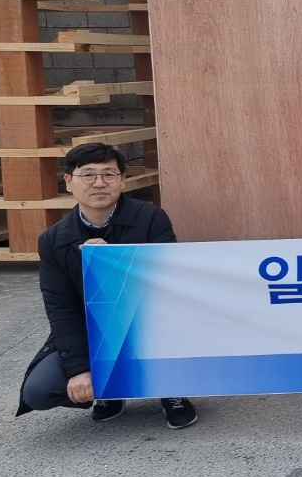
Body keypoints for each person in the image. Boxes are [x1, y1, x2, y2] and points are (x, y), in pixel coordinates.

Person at [17, 143, 197, 429]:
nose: (99, 183)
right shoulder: (53, 240)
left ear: (122, 180)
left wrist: (115, 261)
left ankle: (171, 389)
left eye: (109, 174)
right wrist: (80, 369)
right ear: (69, 182)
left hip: (148, 321)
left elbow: (168, 282)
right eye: (88, 175)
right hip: (93, 329)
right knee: (40, 391)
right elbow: (61, 308)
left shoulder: (151, 218)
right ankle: (108, 389)